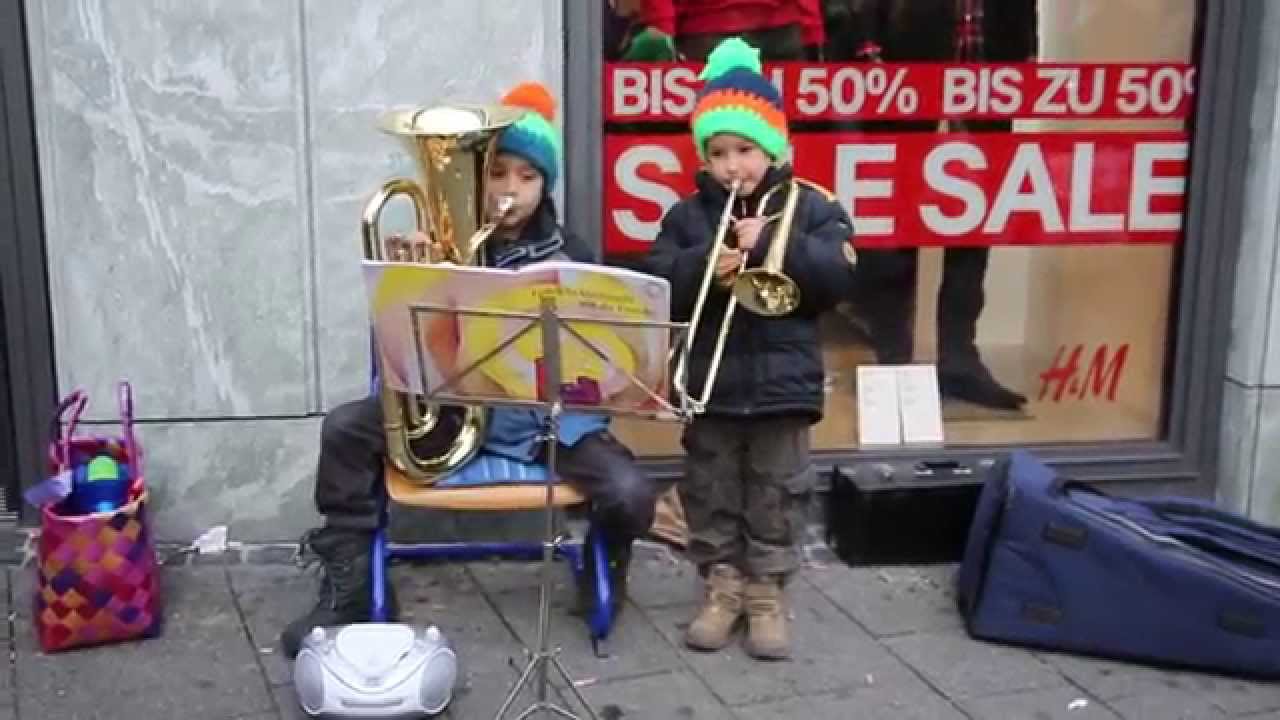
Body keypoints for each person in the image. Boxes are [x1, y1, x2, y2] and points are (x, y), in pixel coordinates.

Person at [280, 82, 658, 659]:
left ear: (545, 184)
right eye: (498, 173)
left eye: (527, 178)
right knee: (343, 431)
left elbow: (599, 363)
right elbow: (400, 346)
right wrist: (410, 277)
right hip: (451, 411)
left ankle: (604, 560)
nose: (510, 190)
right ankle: (350, 584)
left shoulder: (572, 250)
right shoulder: (439, 245)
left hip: (542, 426)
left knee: (631, 491)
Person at [645, 37, 857, 660]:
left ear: (773, 148)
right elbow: (659, 285)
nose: (732, 164)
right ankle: (721, 586)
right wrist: (705, 266)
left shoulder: (813, 207)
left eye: (745, 150)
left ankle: (766, 592)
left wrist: (771, 247)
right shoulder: (688, 216)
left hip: (783, 386)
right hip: (712, 386)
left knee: (777, 490)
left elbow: (838, 277)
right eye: (718, 152)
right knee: (711, 489)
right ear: (703, 157)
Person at [827, 0, 1038, 410]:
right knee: (898, 224)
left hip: (988, 85)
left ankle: (959, 358)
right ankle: (893, 358)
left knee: (975, 228)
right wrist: (871, 55)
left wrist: (1026, 58)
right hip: (909, 78)